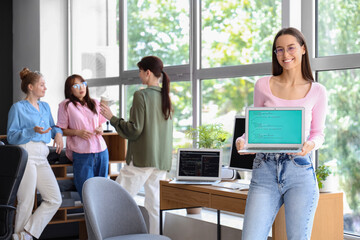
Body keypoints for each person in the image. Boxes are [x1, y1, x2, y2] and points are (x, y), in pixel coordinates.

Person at [236, 27, 328, 240]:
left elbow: (318, 134)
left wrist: (309, 145)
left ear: (303, 49)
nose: (285, 55)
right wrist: (242, 141)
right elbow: (253, 130)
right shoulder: (262, 85)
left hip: (299, 169)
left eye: (290, 48)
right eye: (279, 50)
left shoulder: (317, 90)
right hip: (264, 170)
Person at [100, 56, 173, 234]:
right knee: (154, 207)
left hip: (141, 159)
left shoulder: (141, 95)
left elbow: (134, 130)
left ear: (147, 73)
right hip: (161, 161)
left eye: (140, 71)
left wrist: (112, 118)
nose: (139, 75)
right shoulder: (166, 98)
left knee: (116, 200)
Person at [7, 68, 63, 240]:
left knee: (54, 199)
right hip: (26, 153)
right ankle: (19, 236)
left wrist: (58, 133)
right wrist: (32, 130)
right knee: (26, 200)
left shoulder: (45, 107)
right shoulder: (18, 108)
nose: (45, 88)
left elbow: (53, 127)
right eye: (42, 84)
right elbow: (11, 136)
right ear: (30, 87)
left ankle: (26, 234)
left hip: (42, 154)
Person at [57, 74, 109, 201]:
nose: (82, 87)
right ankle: (90, 220)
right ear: (70, 89)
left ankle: (101, 220)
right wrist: (77, 132)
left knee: (102, 191)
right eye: (76, 85)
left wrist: (100, 129)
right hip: (82, 153)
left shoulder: (95, 103)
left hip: (101, 151)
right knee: (87, 194)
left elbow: (100, 123)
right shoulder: (65, 105)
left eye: (83, 84)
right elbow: (61, 129)